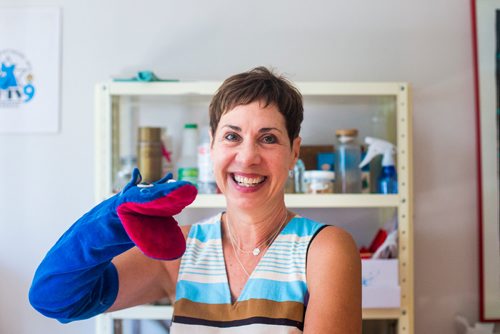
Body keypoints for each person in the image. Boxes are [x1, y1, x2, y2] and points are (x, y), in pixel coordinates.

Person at [29, 67, 361, 333]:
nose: (247, 158)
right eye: (232, 136)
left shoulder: (323, 250)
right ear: (212, 146)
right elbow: (55, 299)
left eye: (268, 138)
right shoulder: (181, 250)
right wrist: (112, 220)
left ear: (294, 152)